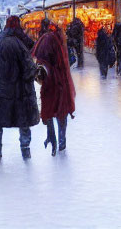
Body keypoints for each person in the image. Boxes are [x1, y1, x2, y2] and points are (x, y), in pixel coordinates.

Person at [0, 16, 41, 159]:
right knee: (23, 121)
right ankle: (25, 148)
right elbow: (28, 70)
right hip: (20, 92)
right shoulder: (21, 44)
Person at [32, 20, 75, 155]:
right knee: (61, 111)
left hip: (50, 81)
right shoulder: (58, 40)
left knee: (50, 108)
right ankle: (61, 141)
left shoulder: (45, 40)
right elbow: (69, 60)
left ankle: (53, 139)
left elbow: (39, 59)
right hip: (62, 81)